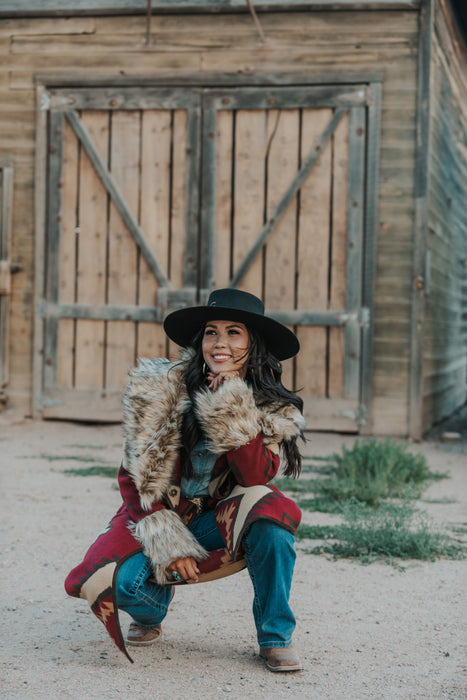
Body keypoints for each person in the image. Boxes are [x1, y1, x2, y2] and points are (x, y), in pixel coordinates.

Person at [65, 288, 306, 672]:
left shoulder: (271, 406)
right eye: (211, 332)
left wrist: (231, 405)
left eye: (233, 332)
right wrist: (167, 539)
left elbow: (256, 477)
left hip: (219, 520)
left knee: (273, 524)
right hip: (160, 511)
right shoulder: (162, 387)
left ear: (252, 343)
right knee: (113, 583)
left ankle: (275, 637)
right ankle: (151, 611)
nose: (219, 343)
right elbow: (132, 476)